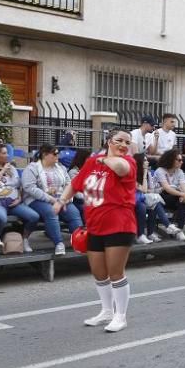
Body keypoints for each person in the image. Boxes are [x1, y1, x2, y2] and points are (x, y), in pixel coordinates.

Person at [58, 129, 137, 332]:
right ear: (108, 141)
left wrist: (104, 159)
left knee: (115, 272)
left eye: (127, 142)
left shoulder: (128, 162)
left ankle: (121, 316)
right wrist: (61, 201)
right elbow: (75, 184)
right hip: (94, 224)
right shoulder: (92, 162)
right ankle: (106, 311)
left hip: (119, 224)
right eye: (119, 140)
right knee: (99, 273)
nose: (123, 145)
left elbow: (119, 167)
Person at [21, 144, 83, 255]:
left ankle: (79, 241)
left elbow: (69, 184)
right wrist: (52, 199)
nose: (57, 156)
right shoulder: (32, 168)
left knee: (74, 212)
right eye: (55, 154)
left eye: (58, 154)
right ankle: (59, 243)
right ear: (45, 155)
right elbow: (30, 188)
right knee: (51, 211)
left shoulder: (61, 168)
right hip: (38, 200)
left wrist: (66, 198)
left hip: (61, 199)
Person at [0, 143, 41, 254]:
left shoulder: (12, 168)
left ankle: (24, 239)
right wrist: (3, 171)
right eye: (4, 153)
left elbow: (19, 186)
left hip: (14, 202)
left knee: (34, 216)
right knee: (2, 218)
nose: (7, 155)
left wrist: (19, 198)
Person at [132, 152, 183, 242]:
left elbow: (151, 190)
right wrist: (144, 174)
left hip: (144, 198)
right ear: (139, 162)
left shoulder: (148, 173)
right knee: (148, 204)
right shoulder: (133, 174)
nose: (147, 162)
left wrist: (164, 188)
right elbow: (144, 189)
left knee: (154, 203)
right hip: (134, 199)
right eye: (144, 160)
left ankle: (151, 233)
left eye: (147, 160)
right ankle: (143, 234)